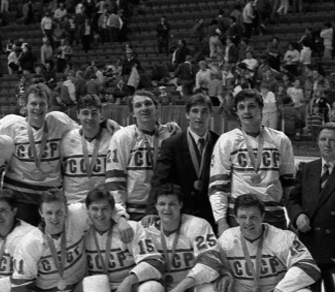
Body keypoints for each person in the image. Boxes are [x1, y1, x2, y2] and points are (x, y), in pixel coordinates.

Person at [209, 89, 295, 236]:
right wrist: (221, 222)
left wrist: (293, 217)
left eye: (252, 106)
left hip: (273, 216)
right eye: (242, 107)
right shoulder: (226, 140)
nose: (246, 111)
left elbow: (289, 185)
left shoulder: (280, 139)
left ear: (261, 109)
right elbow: (217, 187)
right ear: (237, 112)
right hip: (239, 217)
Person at [287, 122, 335, 292]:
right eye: (324, 139)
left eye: (332, 140)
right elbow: (293, 198)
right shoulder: (308, 169)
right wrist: (297, 216)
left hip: (334, 252)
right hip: (309, 251)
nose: (327, 144)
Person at [0, 84, 78, 225]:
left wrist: (105, 123)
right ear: (25, 105)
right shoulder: (10, 124)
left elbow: (82, 131)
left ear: (48, 105)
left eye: (42, 104)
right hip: (20, 195)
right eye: (33, 104)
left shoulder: (58, 121)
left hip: (50, 196)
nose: (38, 108)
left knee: (51, 240)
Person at [146, 94, 218, 229]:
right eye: (195, 111)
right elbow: (160, 179)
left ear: (211, 115)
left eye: (204, 111)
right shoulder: (172, 144)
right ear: (187, 115)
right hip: (181, 214)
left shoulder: (220, 142)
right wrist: (151, 211)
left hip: (212, 215)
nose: (199, 116)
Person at [106, 91, 178, 221]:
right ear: (132, 112)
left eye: (148, 104)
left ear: (157, 108)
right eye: (138, 105)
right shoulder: (123, 136)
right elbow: (115, 180)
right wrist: (120, 214)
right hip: (133, 211)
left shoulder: (170, 134)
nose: (144, 108)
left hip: (164, 209)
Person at [60, 96, 114, 205]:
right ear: (78, 114)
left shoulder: (113, 136)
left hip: (102, 204)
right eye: (85, 113)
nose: (90, 117)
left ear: (101, 114)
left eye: (94, 113)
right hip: (73, 203)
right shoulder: (65, 138)